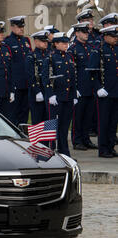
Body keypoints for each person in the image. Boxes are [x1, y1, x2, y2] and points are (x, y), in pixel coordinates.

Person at [42, 32, 77, 156]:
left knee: (64, 126)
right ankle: (51, 151)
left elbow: (72, 78)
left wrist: (73, 95)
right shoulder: (50, 58)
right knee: (52, 126)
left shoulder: (69, 57)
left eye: (67, 43)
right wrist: (50, 94)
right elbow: (46, 78)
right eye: (63, 43)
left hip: (67, 97)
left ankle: (64, 152)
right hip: (55, 97)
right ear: (56, 44)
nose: (66, 45)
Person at [88, 25, 118, 158]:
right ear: (105, 36)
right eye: (113, 36)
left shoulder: (116, 49)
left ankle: (111, 147)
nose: (116, 38)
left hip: (115, 92)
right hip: (104, 93)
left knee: (113, 123)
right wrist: (98, 87)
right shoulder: (98, 51)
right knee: (104, 122)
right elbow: (92, 72)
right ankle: (103, 149)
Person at [68, 22, 97, 150]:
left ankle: (86, 139)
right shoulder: (73, 49)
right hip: (79, 88)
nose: (86, 35)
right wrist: (75, 88)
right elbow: (71, 71)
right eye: (84, 32)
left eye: (87, 32)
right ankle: (77, 140)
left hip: (90, 88)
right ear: (77, 33)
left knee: (88, 116)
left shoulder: (90, 47)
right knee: (78, 116)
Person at [5, 16, 32, 126]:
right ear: (12, 27)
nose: (22, 29)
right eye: (19, 27)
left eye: (22, 27)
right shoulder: (7, 42)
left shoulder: (26, 41)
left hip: (26, 83)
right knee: (13, 113)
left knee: (25, 112)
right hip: (15, 84)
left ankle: (23, 135)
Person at [25, 30, 49, 125]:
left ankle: (47, 140)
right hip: (37, 93)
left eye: (46, 41)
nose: (46, 43)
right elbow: (30, 76)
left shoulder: (49, 55)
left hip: (47, 91)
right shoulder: (31, 57)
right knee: (37, 120)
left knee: (48, 120)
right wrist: (37, 91)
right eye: (43, 41)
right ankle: (37, 140)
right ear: (36, 41)